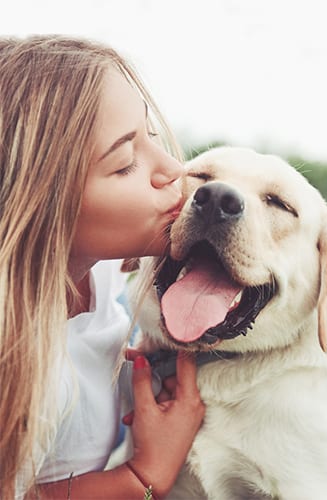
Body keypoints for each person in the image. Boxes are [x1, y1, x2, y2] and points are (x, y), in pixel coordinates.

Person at [0, 36, 205, 499]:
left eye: (151, 136)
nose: (173, 168)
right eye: (125, 163)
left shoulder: (102, 269)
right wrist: (143, 475)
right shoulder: (13, 351)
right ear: (37, 204)